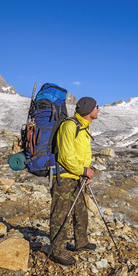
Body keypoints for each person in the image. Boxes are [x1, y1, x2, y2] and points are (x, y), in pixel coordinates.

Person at [49, 97, 100, 265]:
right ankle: (56, 251)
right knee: (61, 214)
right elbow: (65, 157)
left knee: (80, 211)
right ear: (89, 110)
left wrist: (85, 173)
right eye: (96, 107)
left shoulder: (84, 127)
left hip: (77, 177)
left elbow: (81, 155)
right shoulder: (69, 126)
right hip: (64, 177)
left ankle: (81, 242)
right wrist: (84, 171)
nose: (99, 110)